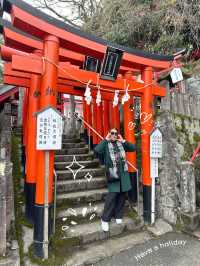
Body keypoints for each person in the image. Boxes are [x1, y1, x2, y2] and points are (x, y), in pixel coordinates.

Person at [94, 128, 136, 232]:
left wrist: (123, 141)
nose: (114, 135)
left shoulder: (120, 144)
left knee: (122, 195)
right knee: (111, 197)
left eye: (115, 133)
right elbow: (97, 150)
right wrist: (105, 139)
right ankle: (105, 219)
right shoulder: (106, 145)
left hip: (123, 175)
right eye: (112, 133)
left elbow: (133, 148)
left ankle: (118, 215)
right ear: (109, 134)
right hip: (113, 174)